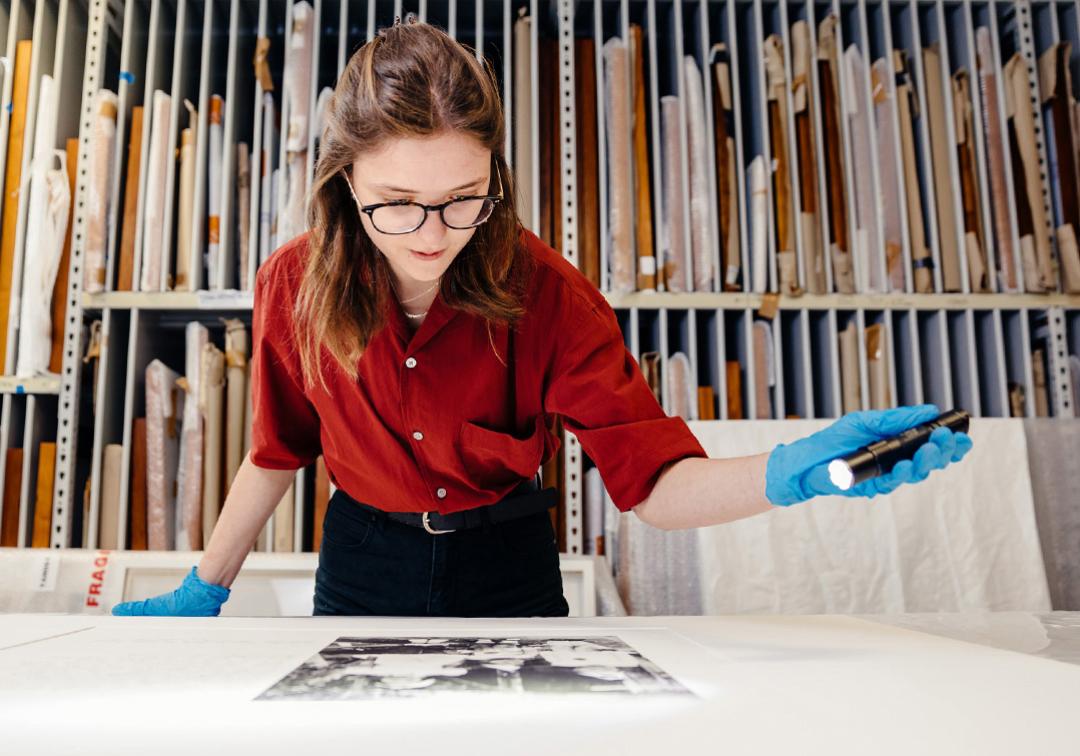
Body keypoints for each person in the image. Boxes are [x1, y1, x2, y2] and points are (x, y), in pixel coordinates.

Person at [111, 16, 972, 619]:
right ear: (344, 187)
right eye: (397, 204)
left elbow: (652, 482)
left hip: (509, 563)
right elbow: (278, 450)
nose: (433, 234)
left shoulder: (550, 294)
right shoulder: (292, 284)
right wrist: (207, 586)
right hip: (362, 564)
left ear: (496, 181)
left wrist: (788, 474)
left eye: (462, 201)